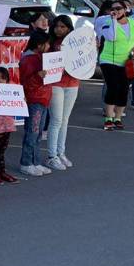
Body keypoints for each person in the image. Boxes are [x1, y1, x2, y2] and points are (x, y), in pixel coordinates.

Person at [97, 0, 134, 129]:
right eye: (113, 9)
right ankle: (108, 117)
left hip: (126, 60)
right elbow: (112, 37)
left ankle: (118, 117)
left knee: (123, 89)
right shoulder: (107, 23)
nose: (116, 11)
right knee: (113, 87)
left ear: (125, 9)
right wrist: (113, 20)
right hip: (109, 60)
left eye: (118, 8)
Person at [45, 15, 79, 171]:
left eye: (63, 27)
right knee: (56, 120)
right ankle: (52, 156)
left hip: (73, 83)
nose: (59, 29)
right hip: (56, 83)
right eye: (57, 26)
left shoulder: (76, 43)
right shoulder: (50, 43)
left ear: (69, 28)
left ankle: (61, 152)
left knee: (64, 120)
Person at [18, 32, 53, 176]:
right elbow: (25, 84)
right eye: (47, 43)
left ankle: (36, 161)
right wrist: (38, 77)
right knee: (32, 133)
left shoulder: (40, 58)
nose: (49, 46)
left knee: (37, 133)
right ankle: (26, 163)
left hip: (43, 98)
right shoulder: (28, 60)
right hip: (34, 100)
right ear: (39, 45)